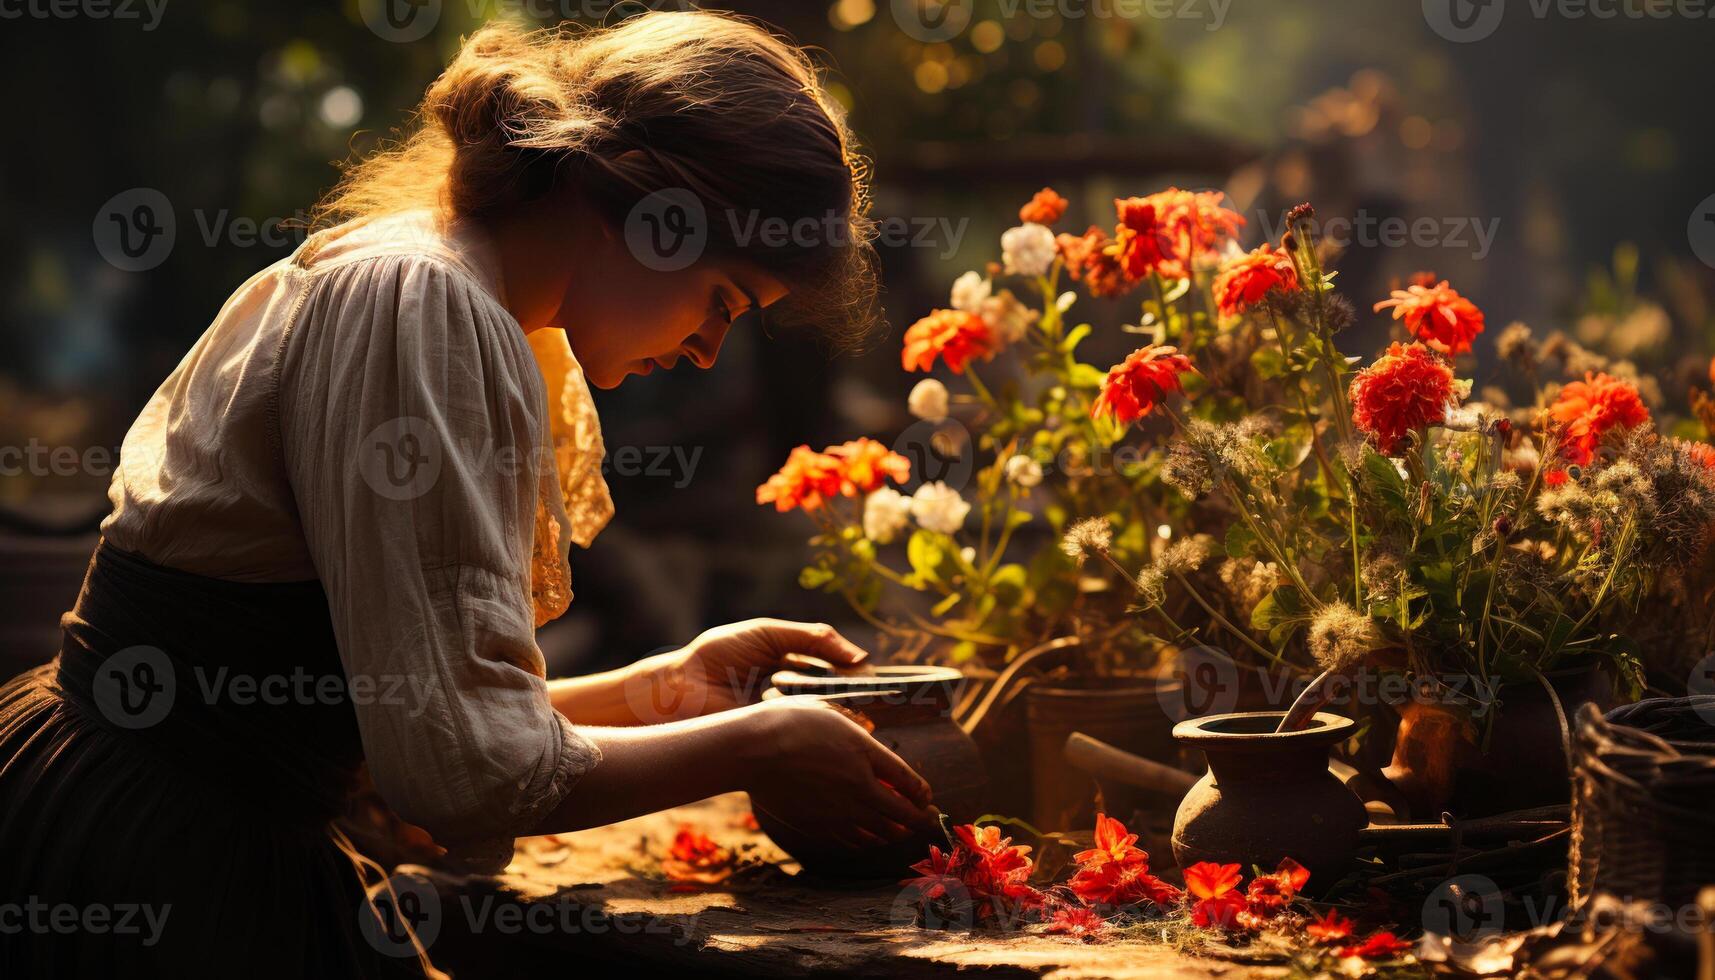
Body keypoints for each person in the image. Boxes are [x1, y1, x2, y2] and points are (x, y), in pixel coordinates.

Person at [0, 12, 935, 977]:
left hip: (160, 810)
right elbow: (464, 775)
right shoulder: (423, 303)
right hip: (165, 857)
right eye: (724, 300)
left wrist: (664, 690)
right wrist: (757, 742)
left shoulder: (455, 293)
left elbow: (406, 711)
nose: (707, 347)